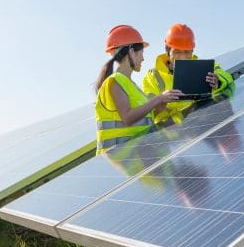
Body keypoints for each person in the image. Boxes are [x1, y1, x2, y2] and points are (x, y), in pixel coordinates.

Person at [95, 24, 181, 155]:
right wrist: (158, 98)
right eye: (141, 53)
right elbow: (128, 118)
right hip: (118, 161)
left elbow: (146, 118)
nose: (143, 58)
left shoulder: (133, 86)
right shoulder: (114, 81)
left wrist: (161, 104)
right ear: (131, 51)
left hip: (137, 158)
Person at [142, 23, 234, 125]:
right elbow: (147, 112)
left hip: (204, 122)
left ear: (192, 51)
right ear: (168, 51)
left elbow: (226, 76)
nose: (182, 57)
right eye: (177, 52)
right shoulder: (153, 77)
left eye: (187, 52)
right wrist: (161, 101)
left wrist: (218, 81)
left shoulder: (204, 68)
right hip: (173, 132)